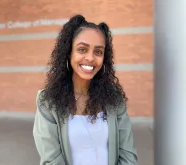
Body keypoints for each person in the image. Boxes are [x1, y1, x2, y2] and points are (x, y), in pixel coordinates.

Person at [33, 14, 138, 165]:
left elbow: (128, 156)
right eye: (82, 49)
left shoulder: (114, 99)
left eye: (98, 51)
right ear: (69, 53)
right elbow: (52, 160)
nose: (90, 58)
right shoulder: (48, 102)